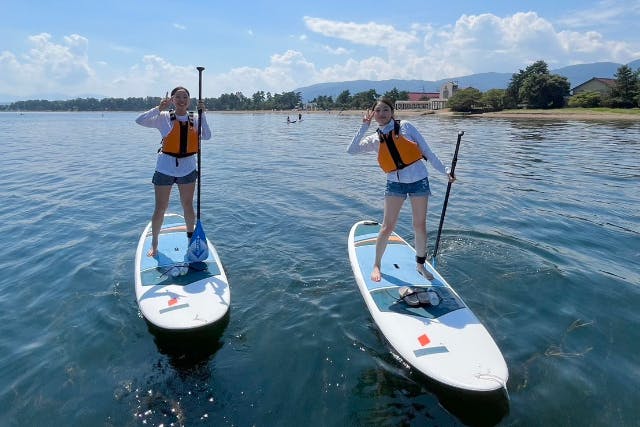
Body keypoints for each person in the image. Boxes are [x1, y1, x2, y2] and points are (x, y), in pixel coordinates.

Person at [347, 98, 455, 282]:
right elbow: (351, 150)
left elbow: (427, 151)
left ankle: (420, 265)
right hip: (394, 184)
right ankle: (377, 265)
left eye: (386, 110)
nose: (382, 114)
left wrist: (446, 171)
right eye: (378, 110)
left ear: (392, 112)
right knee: (387, 226)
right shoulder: (374, 139)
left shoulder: (406, 126)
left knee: (419, 225)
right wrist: (364, 126)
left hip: (419, 181)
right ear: (373, 114)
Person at [135, 86, 211, 257]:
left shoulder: (196, 118)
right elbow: (139, 120)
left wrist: (203, 113)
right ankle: (154, 243)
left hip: (188, 168)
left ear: (189, 100)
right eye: (178, 97)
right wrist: (158, 108)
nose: (181, 100)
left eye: (185, 97)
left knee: (188, 206)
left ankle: (191, 240)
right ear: (172, 99)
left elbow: (206, 136)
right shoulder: (163, 117)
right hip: (165, 168)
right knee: (160, 207)